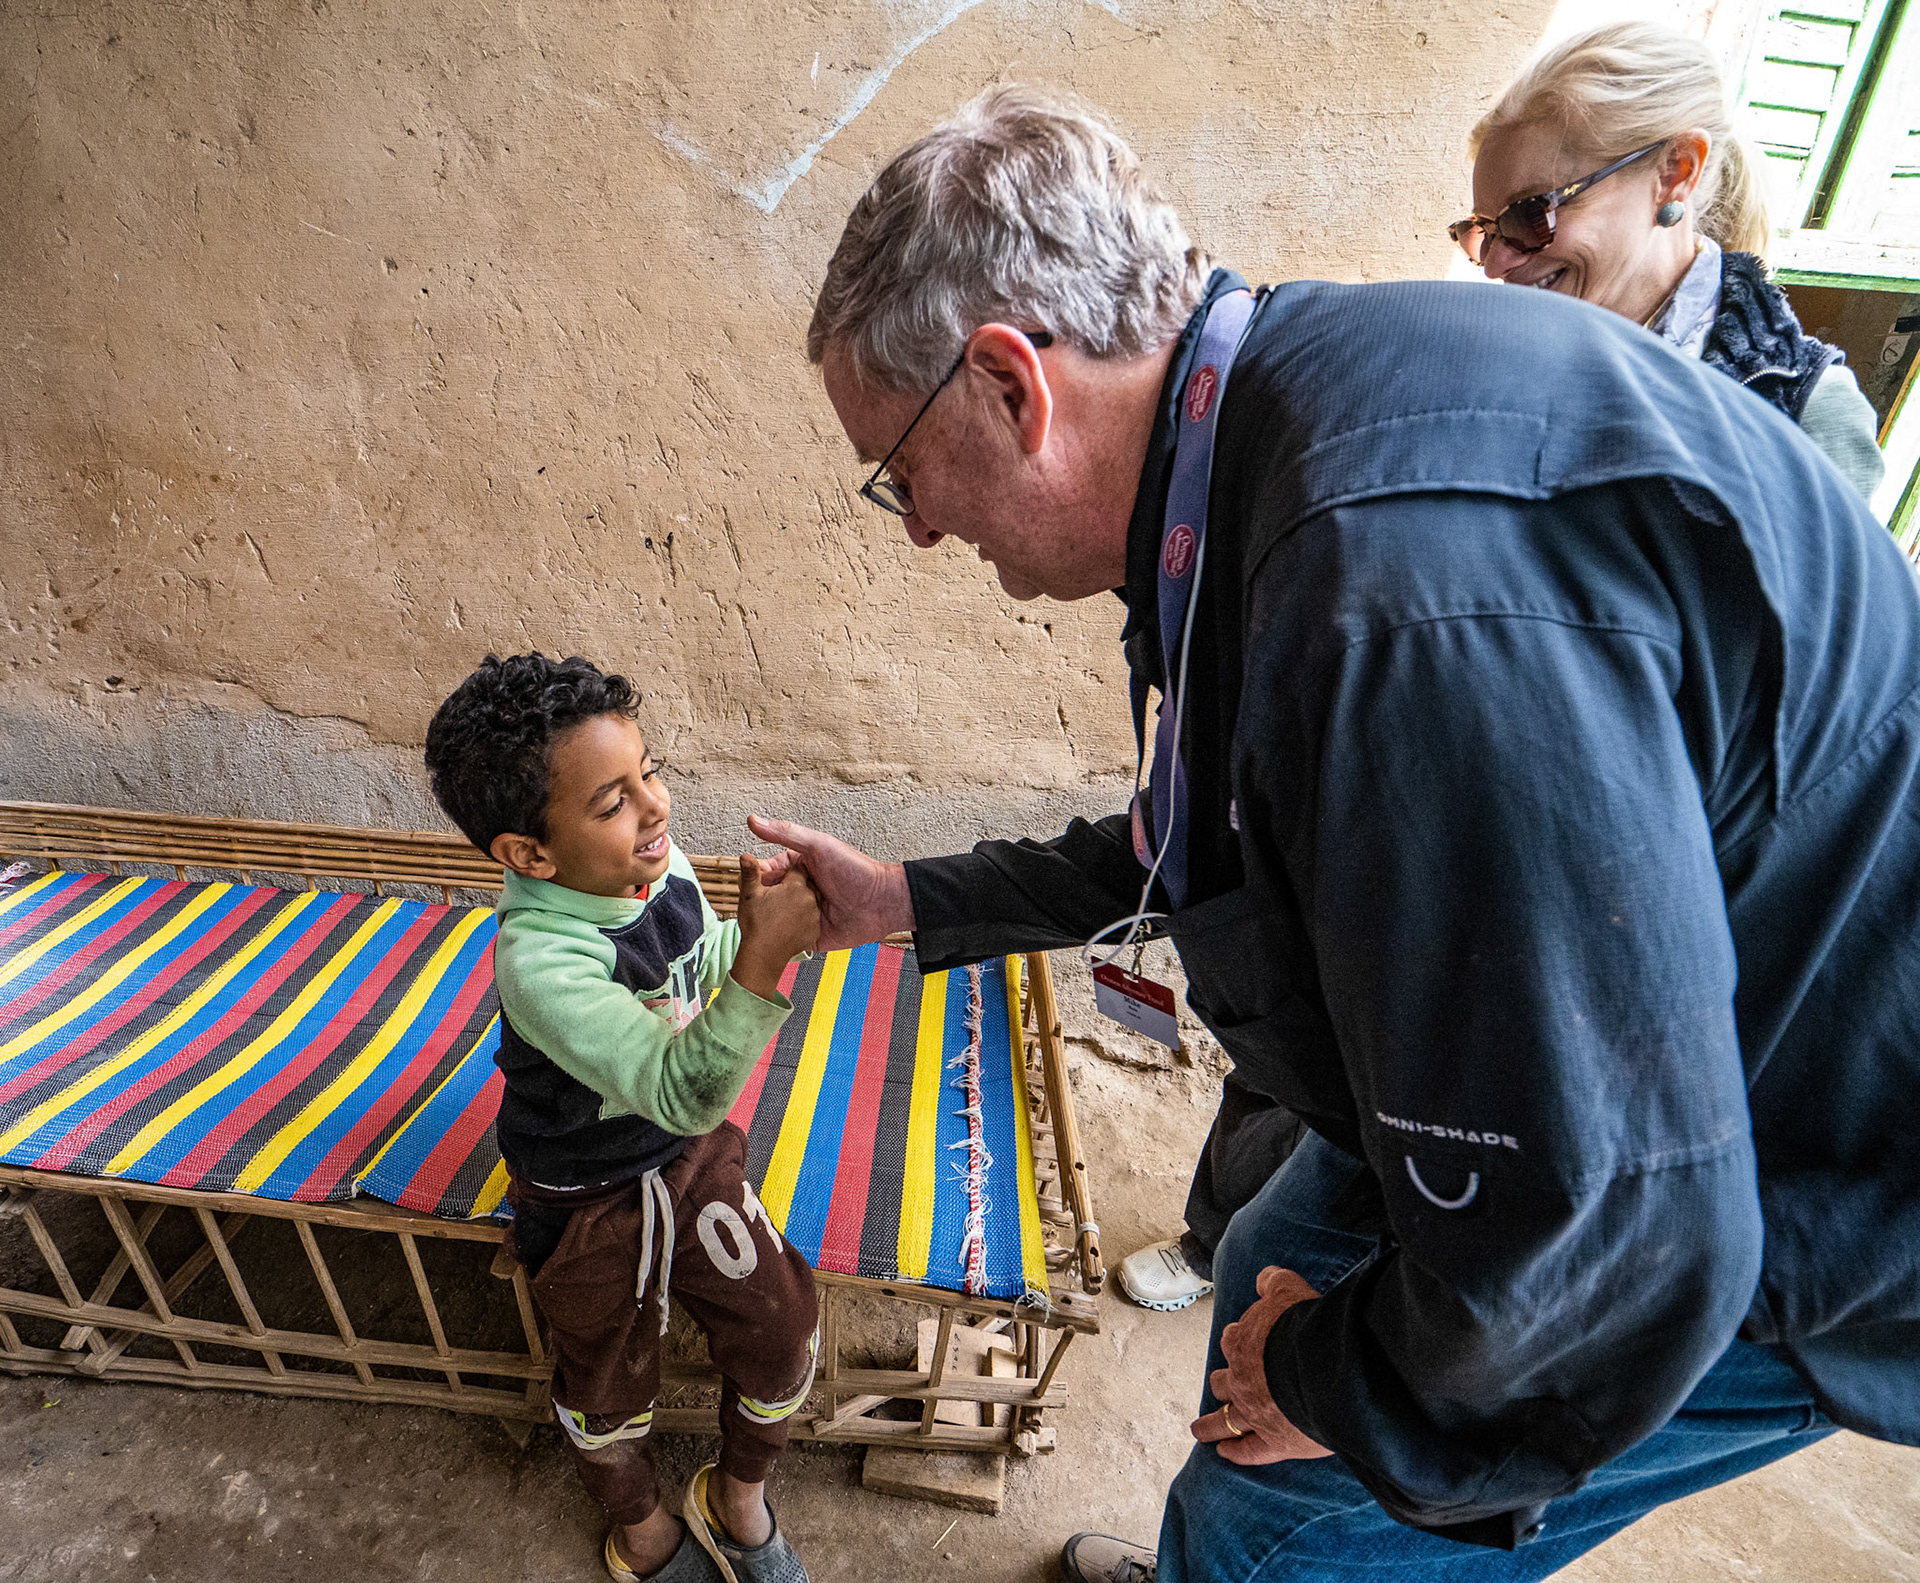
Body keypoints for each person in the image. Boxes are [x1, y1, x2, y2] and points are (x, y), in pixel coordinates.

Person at [750, 86, 1920, 1581]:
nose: (916, 524)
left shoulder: (1395, 597)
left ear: (1008, 383)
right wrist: (913, 896)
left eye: (898, 471)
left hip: (1801, 1166)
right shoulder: (1258, 431)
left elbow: (1609, 1223)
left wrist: (1328, 1385)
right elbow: (1214, 832)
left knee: (1279, 1514)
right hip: (1588, 1070)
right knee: (1258, 1263)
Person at [424, 653, 820, 1583]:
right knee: (605, 1379)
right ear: (529, 854)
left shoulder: (652, 864)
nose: (655, 807)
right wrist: (762, 967)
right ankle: (640, 1525)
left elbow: (700, 957)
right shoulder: (539, 961)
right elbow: (686, 1086)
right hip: (586, 1191)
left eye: (650, 770)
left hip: (686, 1154)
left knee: (781, 1321)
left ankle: (736, 1494)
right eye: (612, 801)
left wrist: (763, 927)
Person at [1454, 21, 1885, 503]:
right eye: (1484, 232)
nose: (1496, 265)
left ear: (1675, 171)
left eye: (1531, 213)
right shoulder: (1489, 362)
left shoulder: (1805, 413)